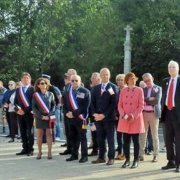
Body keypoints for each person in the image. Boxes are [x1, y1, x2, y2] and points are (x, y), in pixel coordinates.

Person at [91, 68, 119, 165]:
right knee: (100, 138)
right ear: (100, 76)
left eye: (106, 74)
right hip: (98, 118)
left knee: (110, 139)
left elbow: (114, 104)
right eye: (103, 74)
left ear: (109, 75)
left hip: (109, 118)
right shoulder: (96, 88)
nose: (105, 76)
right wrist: (95, 114)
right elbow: (92, 102)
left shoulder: (113, 87)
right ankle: (101, 157)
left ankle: (111, 158)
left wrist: (104, 115)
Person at [117, 72, 144, 169]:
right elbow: (119, 105)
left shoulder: (139, 90)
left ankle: (136, 160)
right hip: (124, 119)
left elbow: (141, 105)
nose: (133, 79)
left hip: (134, 119)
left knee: (136, 141)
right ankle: (127, 159)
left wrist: (133, 115)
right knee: (126, 141)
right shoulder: (123, 90)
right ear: (127, 80)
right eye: (131, 78)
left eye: (134, 78)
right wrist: (123, 114)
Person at [64, 75, 91, 163]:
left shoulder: (85, 91)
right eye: (72, 81)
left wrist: (73, 113)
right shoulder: (67, 92)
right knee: (73, 137)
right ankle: (74, 155)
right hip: (71, 119)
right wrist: (67, 113)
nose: (74, 82)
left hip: (81, 118)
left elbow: (85, 107)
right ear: (70, 82)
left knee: (82, 137)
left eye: (76, 80)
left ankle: (84, 156)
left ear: (80, 81)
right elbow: (64, 105)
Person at [161, 60, 180, 173]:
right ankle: (171, 161)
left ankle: (178, 163)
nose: (171, 69)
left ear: (178, 69)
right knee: (168, 139)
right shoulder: (165, 81)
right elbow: (164, 97)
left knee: (178, 140)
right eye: (169, 67)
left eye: (173, 67)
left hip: (178, 114)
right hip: (167, 113)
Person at [139, 73, 162, 162]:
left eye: (148, 80)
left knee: (154, 135)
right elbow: (141, 100)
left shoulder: (158, 88)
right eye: (145, 81)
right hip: (144, 114)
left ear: (152, 78)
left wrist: (146, 99)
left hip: (154, 114)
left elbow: (156, 101)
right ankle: (141, 154)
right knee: (142, 135)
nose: (147, 82)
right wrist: (150, 98)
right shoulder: (142, 89)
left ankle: (156, 155)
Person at [32, 77, 56, 159]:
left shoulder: (51, 94)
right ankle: (39, 152)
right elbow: (34, 108)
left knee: (50, 134)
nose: (44, 84)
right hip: (40, 117)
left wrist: (48, 116)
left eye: (45, 83)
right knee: (39, 135)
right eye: (42, 83)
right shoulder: (35, 95)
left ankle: (49, 152)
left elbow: (53, 106)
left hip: (49, 117)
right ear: (38, 85)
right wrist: (41, 116)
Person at [14, 72, 34, 156]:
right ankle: (25, 148)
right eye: (24, 78)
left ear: (30, 79)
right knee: (22, 132)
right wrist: (17, 110)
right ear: (21, 80)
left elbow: (33, 103)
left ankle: (30, 149)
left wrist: (24, 111)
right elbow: (15, 102)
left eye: (27, 78)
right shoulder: (18, 89)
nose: (25, 79)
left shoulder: (33, 89)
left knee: (30, 132)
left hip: (29, 114)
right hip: (20, 114)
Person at [60, 69, 77, 155]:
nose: (67, 76)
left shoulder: (79, 84)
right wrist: (66, 112)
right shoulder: (66, 86)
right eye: (67, 75)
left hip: (75, 114)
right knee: (67, 131)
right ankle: (69, 148)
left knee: (74, 133)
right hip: (66, 113)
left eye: (69, 74)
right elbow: (64, 100)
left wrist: (73, 113)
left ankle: (75, 149)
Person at [41, 74, 62, 142]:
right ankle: (47, 137)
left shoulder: (54, 88)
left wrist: (58, 105)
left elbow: (59, 97)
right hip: (46, 109)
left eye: (46, 80)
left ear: (49, 80)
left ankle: (57, 136)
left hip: (55, 108)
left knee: (56, 122)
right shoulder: (42, 88)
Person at [88, 72, 101, 156]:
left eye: (93, 78)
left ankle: (100, 150)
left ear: (99, 79)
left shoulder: (101, 88)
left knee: (100, 134)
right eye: (91, 78)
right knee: (93, 133)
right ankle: (95, 150)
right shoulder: (91, 89)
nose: (91, 79)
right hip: (92, 117)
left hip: (99, 116)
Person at [115, 74, 126, 161]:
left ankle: (125, 153)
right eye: (118, 80)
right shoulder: (115, 90)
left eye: (121, 80)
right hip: (117, 116)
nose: (119, 81)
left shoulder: (127, 90)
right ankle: (120, 152)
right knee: (119, 135)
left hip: (125, 116)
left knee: (126, 135)